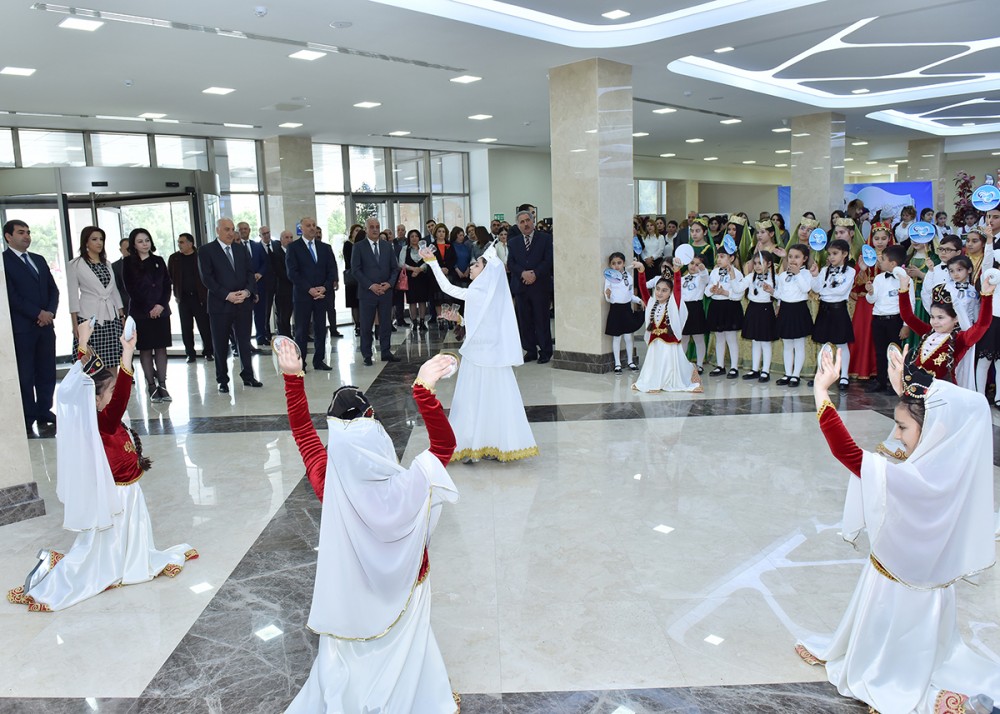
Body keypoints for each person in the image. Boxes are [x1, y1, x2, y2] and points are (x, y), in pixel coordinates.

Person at [797, 346, 1000, 714]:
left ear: (934, 430)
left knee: (897, 671)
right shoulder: (945, 465)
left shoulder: (913, 478)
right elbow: (905, 441)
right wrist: (903, 390)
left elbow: (851, 456)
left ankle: (892, 675)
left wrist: (821, 393)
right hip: (928, 587)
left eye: (903, 427)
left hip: (899, 589)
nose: (897, 433)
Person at [279, 344, 460, 713]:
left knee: (350, 648)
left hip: (351, 596)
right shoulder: (410, 486)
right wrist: (423, 389)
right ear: (375, 431)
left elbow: (302, 432)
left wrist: (292, 378)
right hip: (408, 587)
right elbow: (445, 444)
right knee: (409, 647)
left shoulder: (327, 481)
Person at [8, 321, 196, 612]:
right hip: (118, 494)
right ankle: (106, 566)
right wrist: (127, 353)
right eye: (107, 392)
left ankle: (125, 559)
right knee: (107, 543)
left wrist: (83, 345)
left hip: (126, 489)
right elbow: (118, 396)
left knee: (120, 538)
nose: (115, 396)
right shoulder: (103, 421)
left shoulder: (102, 417)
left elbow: (83, 379)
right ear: (95, 400)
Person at [421, 242, 538, 463]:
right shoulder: (489, 294)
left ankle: (470, 443)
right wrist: (460, 319)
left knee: (472, 401)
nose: (471, 267)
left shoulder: (477, 292)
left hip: (478, 358)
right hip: (492, 357)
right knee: (494, 401)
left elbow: (447, 288)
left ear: (485, 272)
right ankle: (494, 444)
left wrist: (432, 262)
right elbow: (483, 324)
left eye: (476, 265)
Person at [3, 219, 59, 434]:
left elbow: (53, 291)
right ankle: (28, 414)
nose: (26, 236)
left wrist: (50, 313)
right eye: (20, 232)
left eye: (28, 232)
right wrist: (38, 313)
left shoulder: (38, 259)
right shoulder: (4, 261)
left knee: (46, 371)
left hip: (45, 327)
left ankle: (45, 409)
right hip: (23, 328)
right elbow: (11, 296)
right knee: (25, 374)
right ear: (8, 236)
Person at [198, 218, 261, 393]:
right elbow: (207, 278)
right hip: (220, 305)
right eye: (226, 229)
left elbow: (250, 273)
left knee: (244, 341)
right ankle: (222, 380)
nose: (231, 232)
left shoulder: (240, 249)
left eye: (232, 229)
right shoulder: (206, 251)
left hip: (243, 303)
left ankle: (248, 376)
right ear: (217, 230)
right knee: (220, 344)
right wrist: (227, 295)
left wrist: (247, 292)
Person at [632, 259, 702, 393]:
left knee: (670, 368)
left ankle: (670, 380)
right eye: (657, 289)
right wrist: (641, 271)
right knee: (655, 365)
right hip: (655, 345)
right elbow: (643, 289)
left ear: (670, 292)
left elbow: (677, 289)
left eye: (664, 290)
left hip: (670, 345)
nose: (659, 293)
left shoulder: (673, 305)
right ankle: (654, 381)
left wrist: (677, 271)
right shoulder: (652, 303)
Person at [123, 228, 173, 403]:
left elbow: (167, 285)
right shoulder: (128, 263)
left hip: (162, 311)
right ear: (134, 245)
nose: (145, 244)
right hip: (141, 313)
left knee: (161, 348)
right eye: (140, 241)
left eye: (147, 240)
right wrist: (148, 308)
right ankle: (151, 385)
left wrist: (160, 305)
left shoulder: (159, 260)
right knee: (145, 349)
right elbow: (131, 289)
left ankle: (163, 384)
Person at [67, 226, 124, 368]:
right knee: (92, 363)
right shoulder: (75, 264)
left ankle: (111, 390)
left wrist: (122, 316)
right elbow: (73, 296)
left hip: (111, 317)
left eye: (101, 239)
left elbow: (114, 291)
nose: (99, 243)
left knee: (113, 361)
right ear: (86, 242)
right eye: (94, 239)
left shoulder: (107, 264)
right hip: (88, 317)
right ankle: (96, 391)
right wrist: (75, 325)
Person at [286, 217, 336, 372]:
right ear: (301, 228)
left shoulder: (325, 248)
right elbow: (292, 273)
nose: (312, 228)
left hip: (322, 296)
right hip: (303, 296)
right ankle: (301, 363)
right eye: (308, 225)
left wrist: (324, 288)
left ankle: (319, 360)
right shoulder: (293, 247)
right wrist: (309, 289)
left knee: (321, 328)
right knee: (301, 331)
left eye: (314, 225)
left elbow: (332, 271)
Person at [507, 209, 554, 364]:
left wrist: (534, 274)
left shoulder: (545, 239)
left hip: (540, 286)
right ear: (518, 225)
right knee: (524, 320)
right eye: (522, 222)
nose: (525, 224)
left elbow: (548, 260)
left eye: (528, 220)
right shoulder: (513, 242)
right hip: (521, 287)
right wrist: (523, 274)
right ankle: (530, 350)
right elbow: (511, 263)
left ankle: (545, 351)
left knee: (541, 319)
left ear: (533, 221)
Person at [849, 222, 894, 382]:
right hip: (865, 303)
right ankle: (862, 368)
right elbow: (855, 282)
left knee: (880, 338)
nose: (880, 242)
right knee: (863, 334)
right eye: (876, 238)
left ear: (889, 239)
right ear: (871, 239)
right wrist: (861, 270)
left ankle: (880, 371)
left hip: (884, 302)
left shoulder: (891, 258)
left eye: (883, 238)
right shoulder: (865, 256)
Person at [352, 216, 400, 365]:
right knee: (366, 325)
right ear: (366, 229)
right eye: (371, 227)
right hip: (367, 293)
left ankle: (386, 351)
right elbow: (356, 270)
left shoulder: (387, 246)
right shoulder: (358, 247)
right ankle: (367, 355)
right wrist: (371, 285)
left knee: (386, 323)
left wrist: (389, 284)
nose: (375, 229)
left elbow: (395, 268)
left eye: (377, 227)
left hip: (385, 292)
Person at [809, 238, 855, 389]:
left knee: (842, 344)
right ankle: (822, 373)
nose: (831, 257)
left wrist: (824, 291)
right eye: (829, 254)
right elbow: (816, 289)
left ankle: (844, 376)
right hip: (824, 309)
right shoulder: (824, 270)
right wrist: (815, 276)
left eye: (835, 253)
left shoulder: (850, 271)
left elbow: (840, 291)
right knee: (824, 344)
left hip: (838, 309)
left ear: (845, 254)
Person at [865, 244, 908, 393]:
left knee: (894, 353)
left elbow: (910, 303)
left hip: (894, 320)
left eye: (883, 259)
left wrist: (906, 325)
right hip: (878, 319)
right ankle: (881, 381)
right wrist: (870, 292)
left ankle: (895, 382)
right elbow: (872, 300)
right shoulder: (878, 278)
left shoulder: (904, 279)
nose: (879, 261)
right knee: (880, 351)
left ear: (893, 264)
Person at [167, 232, 213, 364]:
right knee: (186, 328)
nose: (179, 245)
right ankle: (190, 353)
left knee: (204, 326)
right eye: (178, 242)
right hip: (183, 299)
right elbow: (169, 277)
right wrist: (175, 293)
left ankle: (209, 352)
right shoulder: (174, 258)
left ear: (190, 243)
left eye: (182, 242)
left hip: (200, 298)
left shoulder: (201, 256)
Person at [774, 244, 814, 387]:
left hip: (798, 310)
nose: (792, 260)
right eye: (790, 256)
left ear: (805, 259)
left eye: (797, 257)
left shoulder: (806, 274)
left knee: (799, 344)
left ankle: (796, 375)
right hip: (786, 310)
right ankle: (788, 373)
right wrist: (771, 292)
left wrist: (797, 274)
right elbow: (780, 293)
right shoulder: (783, 275)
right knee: (787, 344)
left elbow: (806, 289)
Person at [735, 251, 777, 382]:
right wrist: (732, 276)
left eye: (761, 263)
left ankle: (765, 371)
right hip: (753, 308)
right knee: (755, 341)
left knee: (765, 341)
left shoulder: (774, 278)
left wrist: (772, 291)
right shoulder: (751, 276)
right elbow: (738, 289)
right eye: (755, 263)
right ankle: (754, 369)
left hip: (766, 309)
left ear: (769, 264)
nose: (757, 266)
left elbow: (781, 294)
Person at [706, 241, 744, 378]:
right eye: (718, 256)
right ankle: (720, 365)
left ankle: (734, 367)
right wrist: (712, 290)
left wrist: (725, 293)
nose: (719, 259)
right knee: (719, 337)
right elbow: (707, 291)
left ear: (731, 258)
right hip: (717, 306)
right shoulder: (715, 272)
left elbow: (739, 293)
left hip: (730, 306)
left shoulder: (737, 273)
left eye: (722, 256)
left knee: (731, 338)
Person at [604, 252, 644, 374]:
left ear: (624, 263)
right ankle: (617, 363)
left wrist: (639, 300)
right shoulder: (609, 279)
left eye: (619, 263)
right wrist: (608, 295)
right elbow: (607, 297)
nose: (616, 266)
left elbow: (630, 295)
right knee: (616, 337)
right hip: (616, 310)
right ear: (610, 265)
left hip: (627, 309)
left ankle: (630, 361)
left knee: (628, 337)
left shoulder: (629, 277)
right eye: (613, 263)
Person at [679, 256, 710, 374]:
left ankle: (700, 364)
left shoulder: (701, 279)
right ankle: (681, 363)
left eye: (697, 264)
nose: (693, 266)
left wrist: (702, 270)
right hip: (683, 309)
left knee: (698, 338)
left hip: (696, 308)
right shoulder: (683, 279)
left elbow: (706, 278)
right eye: (692, 263)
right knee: (684, 338)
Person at [316, 226, 343, 340]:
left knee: (331, 308)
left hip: (328, 284)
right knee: (317, 311)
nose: (318, 235)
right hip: (315, 286)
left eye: (320, 232)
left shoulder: (327, 247)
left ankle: (333, 329)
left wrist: (335, 279)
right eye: (316, 233)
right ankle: (320, 331)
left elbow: (333, 264)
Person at [400, 229, 430, 331]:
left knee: (422, 300)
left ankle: (422, 322)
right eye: (412, 236)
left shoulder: (424, 249)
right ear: (409, 238)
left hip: (422, 277)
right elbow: (401, 263)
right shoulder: (405, 249)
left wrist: (420, 269)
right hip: (410, 277)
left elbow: (428, 260)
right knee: (412, 301)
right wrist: (414, 269)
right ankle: (414, 321)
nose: (414, 238)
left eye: (416, 236)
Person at [271, 230, 295, 338]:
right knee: (283, 315)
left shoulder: (295, 252)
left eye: (291, 237)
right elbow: (279, 271)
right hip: (283, 289)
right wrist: (294, 278)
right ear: (281, 240)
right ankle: (284, 335)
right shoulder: (276, 254)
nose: (289, 240)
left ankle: (294, 334)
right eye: (286, 237)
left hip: (295, 289)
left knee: (295, 313)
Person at [255, 226, 277, 346]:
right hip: (264, 284)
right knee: (265, 311)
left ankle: (282, 332)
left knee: (280, 309)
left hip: (278, 283)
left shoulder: (276, 245)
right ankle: (265, 334)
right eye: (263, 234)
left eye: (268, 233)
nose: (266, 235)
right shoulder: (257, 248)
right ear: (260, 236)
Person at [341, 224, 363, 336]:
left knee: (362, 302)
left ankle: (364, 324)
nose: (358, 232)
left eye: (360, 230)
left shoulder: (363, 245)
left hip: (362, 278)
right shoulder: (348, 245)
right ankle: (357, 325)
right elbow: (349, 261)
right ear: (352, 232)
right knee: (354, 303)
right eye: (356, 230)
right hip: (352, 277)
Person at [111, 237, 129, 312]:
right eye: (127, 249)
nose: (130, 252)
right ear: (121, 250)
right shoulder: (115, 266)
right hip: (125, 306)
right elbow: (116, 289)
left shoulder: (142, 263)